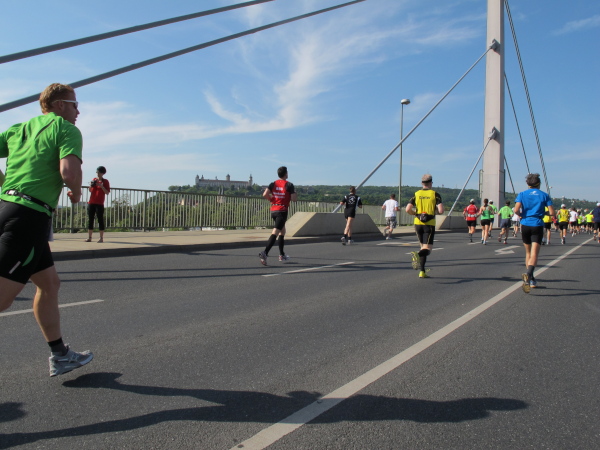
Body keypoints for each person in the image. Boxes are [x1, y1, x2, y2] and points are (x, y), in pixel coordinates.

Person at [0, 83, 93, 376]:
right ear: (59, 104)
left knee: (49, 284)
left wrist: (4, 184)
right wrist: (76, 192)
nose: (78, 111)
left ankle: (60, 354)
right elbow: (68, 172)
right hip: (30, 218)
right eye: (75, 104)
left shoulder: (19, 128)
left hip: (6, 207)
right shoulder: (66, 130)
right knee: (2, 299)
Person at [514, 173, 554, 293]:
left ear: (528, 184)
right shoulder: (544, 195)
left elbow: (516, 210)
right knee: (534, 254)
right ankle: (529, 275)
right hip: (537, 224)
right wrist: (543, 213)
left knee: (527, 253)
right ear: (539, 183)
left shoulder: (522, 194)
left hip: (525, 224)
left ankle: (531, 279)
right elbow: (552, 213)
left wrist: (522, 215)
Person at [406, 174, 444, 278]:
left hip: (418, 223)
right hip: (429, 223)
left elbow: (408, 209)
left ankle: (422, 271)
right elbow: (441, 211)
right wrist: (434, 211)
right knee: (428, 249)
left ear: (422, 183)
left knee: (423, 247)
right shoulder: (435, 194)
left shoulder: (416, 194)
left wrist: (415, 213)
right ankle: (417, 255)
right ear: (431, 183)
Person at [258, 166, 297, 265]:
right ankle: (265, 252)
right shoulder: (289, 185)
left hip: (273, 210)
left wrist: (271, 199)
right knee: (275, 231)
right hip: (282, 210)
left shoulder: (273, 183)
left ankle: (282, 254)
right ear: (286, 174)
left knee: (282, 231)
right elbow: (294, 199)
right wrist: (294, 192)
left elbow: (265, 194)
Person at [86, 166, 110, 243]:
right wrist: (91, 185)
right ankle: (89, 237)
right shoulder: (94, 179)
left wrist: (102, 186)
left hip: (99, 203)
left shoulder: (105, 181)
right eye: (96, 172)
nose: (97, 173)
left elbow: (107, 192)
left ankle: (101, 238)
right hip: (91, 202)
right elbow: (90, 190)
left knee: (100, 220)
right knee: (90, 220)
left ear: (102, 173)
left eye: (98, 172)